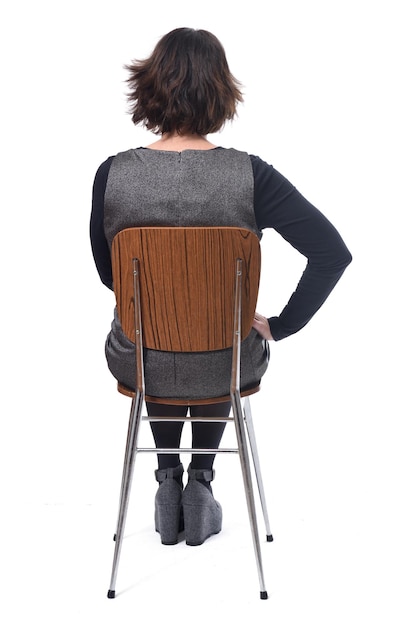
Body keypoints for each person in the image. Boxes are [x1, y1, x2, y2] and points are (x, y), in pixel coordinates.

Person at [90, 27, 352, 547]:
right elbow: (331, 252)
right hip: (228, 357)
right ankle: (201, 483)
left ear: (149, 89)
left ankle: (168, 480)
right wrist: (280, 326)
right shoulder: (250, 175)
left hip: (140, 355)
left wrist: (163, 302)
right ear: (220, 93)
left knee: (162, 343)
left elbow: (109, 276)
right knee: (216, 348)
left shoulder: (112, 174)